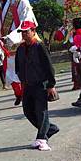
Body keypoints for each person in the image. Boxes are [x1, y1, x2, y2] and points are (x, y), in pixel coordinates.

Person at [15, 21, 59, 151]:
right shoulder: (21, 49)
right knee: (28, 111)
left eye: (27, 31)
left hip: (41, 84)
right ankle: (50, 129)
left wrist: (51, 85)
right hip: (27, 85)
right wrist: (21, 78)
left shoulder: (39, 46)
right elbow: (18, 66)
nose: (24, 34)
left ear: (33, 31)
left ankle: (42, 139)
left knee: (41, 112)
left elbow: (49, 67)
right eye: (22, 32)